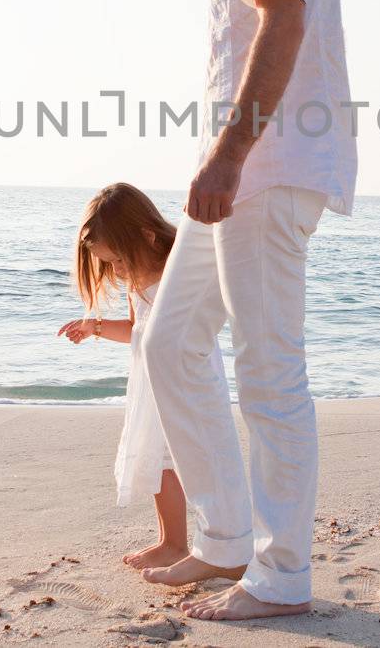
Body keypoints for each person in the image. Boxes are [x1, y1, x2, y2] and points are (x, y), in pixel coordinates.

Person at [139, 0, 357, 621]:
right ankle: (226, 535)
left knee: (268, 371)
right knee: (171, 341)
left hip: (265, 171)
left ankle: (282, 573)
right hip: (237, 174)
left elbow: (284, 22)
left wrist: (230, 155)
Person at [56, 183, 224, 571]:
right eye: (108, 264)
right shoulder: (137, 282)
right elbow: (137, 329)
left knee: (186, 458)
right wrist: (95, 326)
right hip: (150, 380)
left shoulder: (177, 270)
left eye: (116, 260)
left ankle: (209, 541)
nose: (115, 270)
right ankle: (172, 541)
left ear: (146, 235)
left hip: (184, 376)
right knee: (156, 458)